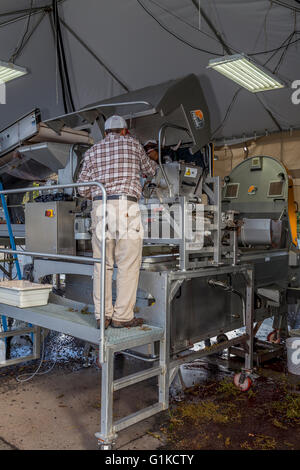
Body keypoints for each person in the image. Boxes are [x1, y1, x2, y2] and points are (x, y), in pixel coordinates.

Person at [77, 115, 158, 329]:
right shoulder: (133, 145)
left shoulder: (93, 151)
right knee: (127, 264)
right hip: (126, 207)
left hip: (101, 208)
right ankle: (122, 316)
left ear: (105, 133)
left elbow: (82, 188)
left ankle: (102, 316)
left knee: (102, 264)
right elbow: (151, 171)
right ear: (124, 131)